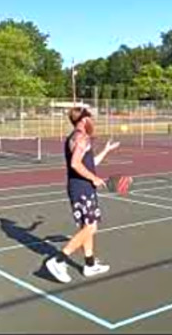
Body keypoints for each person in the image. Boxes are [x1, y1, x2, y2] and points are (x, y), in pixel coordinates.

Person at [45, 107, 119, 283]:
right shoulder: (81, 137)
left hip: (80, 187)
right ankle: (58, 260)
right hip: (82, 188)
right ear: (84, 120)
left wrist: (106, 150)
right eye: (91, 118)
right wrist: (94, 178)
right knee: (91, 227)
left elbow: (89, 163)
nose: (93, 121)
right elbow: (76, 164)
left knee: (87, 227)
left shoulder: (75, 137)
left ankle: (90, 264)